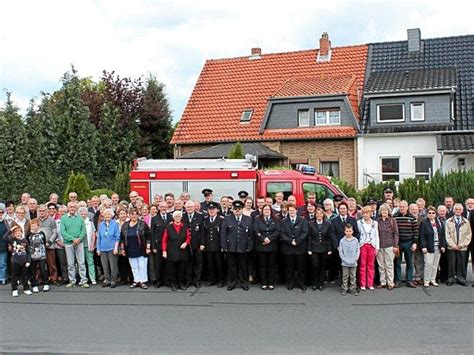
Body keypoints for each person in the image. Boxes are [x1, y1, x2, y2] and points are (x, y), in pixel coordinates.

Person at [220, 200, 253, 291]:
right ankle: (232, 283)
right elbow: (223, 233)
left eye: (239, 209)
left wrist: (249, 246)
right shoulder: (227, 219)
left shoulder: (248, 219)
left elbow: (251, 234)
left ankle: (244, 283)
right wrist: (224, 246)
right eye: (235, 209)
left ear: (242, 209)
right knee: (231, 266)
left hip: (243, 247)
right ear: (232, 210)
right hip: (231, 247)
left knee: (243, 266)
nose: (237, 210)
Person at [60, 202, 89, 288]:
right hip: (69, 243)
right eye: (70, 207)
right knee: (70, 263)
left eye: (74, 207)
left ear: (76, 208)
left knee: (82, 262)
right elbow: (63, 231)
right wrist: (72, 239)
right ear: (68, 208)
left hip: (79, 243)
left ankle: (84, 281)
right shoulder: (64, 218)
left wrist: (79, 239)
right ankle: (72, 281)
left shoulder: (80, 218)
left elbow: (83, 230)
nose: (72, 208)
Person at [121, 208, 151, 289]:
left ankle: (143, 281)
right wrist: (123, 249)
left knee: (142, 265)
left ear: (138, 215)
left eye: (135, 214)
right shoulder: (125, 225)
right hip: (130, 248)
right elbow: (122, 238)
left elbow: (148, 236)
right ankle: (136, 280)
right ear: (129, 215)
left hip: (141, 248)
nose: (134, 215)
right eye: (132, 214)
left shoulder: (143, 224)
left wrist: (148, 247)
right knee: (133, 266)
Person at [280, 204, 308, 290]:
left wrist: (297, 241)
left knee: (301, 268)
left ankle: (301, 283)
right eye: (290, 210)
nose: (292, 212)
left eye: (293, 210)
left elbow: (305, 232)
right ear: (288, 211)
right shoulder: (284, 221)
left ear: (296, 211)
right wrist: (290, 241)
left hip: (300, 248)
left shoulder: (303, 221)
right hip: (288, 248)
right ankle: (290, 283)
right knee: (289, 268)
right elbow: (282, 233)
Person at [330, 201, 359, 283]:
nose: (342, 210)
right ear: (338, 210)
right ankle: (344, 282)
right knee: (341, 265)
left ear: (347, 209)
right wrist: (337, 246)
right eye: (341, 208)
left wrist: (355, 244)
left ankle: (352, 282)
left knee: (352, 265)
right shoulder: (334, 221)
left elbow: (357, 233)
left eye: (344, 208)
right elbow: (332, 234)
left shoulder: (352, 220)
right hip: (340, 247)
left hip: (351, 248)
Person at [162, 210, 191, 291]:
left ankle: (181, 284)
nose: (177, 218)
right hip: (171, 251)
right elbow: (164, 240)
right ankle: (173, 284)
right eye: (176, 216)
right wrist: (164, 251)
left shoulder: (184, 226)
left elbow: (188, 237)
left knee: (181, 269)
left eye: (179, 216)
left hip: (182, 251)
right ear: (173, 218)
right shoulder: (168, 227)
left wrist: (186, 243)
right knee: (172, 269)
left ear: (181, 217)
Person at [253, 205, 280, 290]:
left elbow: (278, 230)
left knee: (271, 265)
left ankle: (271, 282)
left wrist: (269, 239)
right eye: (265, 209)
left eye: (268, 209)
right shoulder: (257, 219)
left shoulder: (276, 219)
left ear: (271, 210)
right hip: (261, 245)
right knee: (262, 265)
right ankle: (264, 283)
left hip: (272, 246)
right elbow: (256, 230)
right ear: (262, 210)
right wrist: (263, 238)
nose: (267, 211)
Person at [419, 206, 446, 288]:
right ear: (427, 214)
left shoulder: (439, 222)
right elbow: (422, 236)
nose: (431, 214)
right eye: (429, 213)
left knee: (435, 265)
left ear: (435, 214)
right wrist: (423, 246)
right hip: (428, 247)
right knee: (428, 264)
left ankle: (433, 280)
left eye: (433, 213)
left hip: (438, 246)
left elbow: (442, 235)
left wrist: (443, 246)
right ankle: (426, 280)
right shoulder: (424, 223)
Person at [445, 204, 471, 286]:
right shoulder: (448, 221)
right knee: (451, 263)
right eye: (456, 209)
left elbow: (468, 235)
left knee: (462, 263)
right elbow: (447, 235)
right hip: (451, 247)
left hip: (462, 247)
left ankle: (461, 279)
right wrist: (453, 245)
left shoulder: (467, 222)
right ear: (453, 210)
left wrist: (462, 245)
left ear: (462, 211)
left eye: (460, 209)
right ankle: (451, 278)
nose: (458, 211)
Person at [393, 200, 418, 288]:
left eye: (404, 206)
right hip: (398, 243)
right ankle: (398, 280)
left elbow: (415, 232)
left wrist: (415, 243)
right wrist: (394, 244)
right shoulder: (394, 217)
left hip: (409, 242)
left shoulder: (412, 218)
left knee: (409, 263)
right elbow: (393, 231)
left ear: (407, 208)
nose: (402, 208)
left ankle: (409, 280)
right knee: (397, 262)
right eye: (401, 206)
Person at [307, 207, 333, 291]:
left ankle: (321, 283)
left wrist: (330, 249)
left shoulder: (327, 224)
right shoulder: (311, 224)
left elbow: (329, 237)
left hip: (324, 248)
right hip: (314, 248)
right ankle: (314, 283)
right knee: (315, 265)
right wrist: (309, 249)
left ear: (323, 215)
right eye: (317, 214)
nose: (319, 215)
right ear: (315, 215)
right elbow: (309, 237)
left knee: (323, 266)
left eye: (320, 213)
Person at [4, 225, 32, 297]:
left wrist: (28, 261)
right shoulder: (12, 240)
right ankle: (14, 289)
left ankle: (26, 288)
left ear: (21, 232)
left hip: (24, 261)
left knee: (25, 276)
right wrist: (11, 229)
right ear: (13, 234)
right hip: (15, 261)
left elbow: (28, 252)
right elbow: (4, 237)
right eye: (15, 232)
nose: (17, 233)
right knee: (14, 276)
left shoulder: (25, 241)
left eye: (19, 232)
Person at [202, 202, 225, 287]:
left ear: (217, 210)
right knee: (210, 264)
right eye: (210, 209)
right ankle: (212, 279)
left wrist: (223, 245)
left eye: (213, 209)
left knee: (219, 264)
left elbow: (223, 234)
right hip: (208, 246)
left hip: (218, 246)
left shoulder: (222, 219)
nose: (211, 211)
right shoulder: (205, 219)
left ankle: (221, 280)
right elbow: (203, 233)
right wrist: (203, 244)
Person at [376, 204, 398, 290]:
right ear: (380, 212)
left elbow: (396, 234)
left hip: (390, 245)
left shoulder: (392, 221)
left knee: (389, 265)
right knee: (381, 265)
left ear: (388, 211)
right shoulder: (377, 221)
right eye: (382, 210)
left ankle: (390, 282)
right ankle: (383, 282)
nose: (384, 212)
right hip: (380, 245)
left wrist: (395, 245)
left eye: (386, 210)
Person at [183, 201, 205, 288]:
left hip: (197, 244)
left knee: (198, 263)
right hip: (186, 244)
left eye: (191, 207)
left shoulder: (200, 216)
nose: (189, 209)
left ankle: (197, 280)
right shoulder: (182, 216)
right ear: (185, 208)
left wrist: (202, 243)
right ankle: (188, 280)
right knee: (188, 263)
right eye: (187, 207)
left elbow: (203, 231)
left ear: (194, 207)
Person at [97, 209, 121, 288]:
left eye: (109, 214)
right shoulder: (101, 224)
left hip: (112, 248)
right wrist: (98, 249)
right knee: (105, 265)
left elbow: (118, 237)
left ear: (112, 215)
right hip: (103, 248)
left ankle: (113, 280)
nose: (107, 216)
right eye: (106, 214)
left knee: (113, 265)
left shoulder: (115, 224)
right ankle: (107, 280)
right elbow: (99, 238)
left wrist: (116, 248)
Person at [357, 206, 379, 290]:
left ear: (370, 214)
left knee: (371, 265)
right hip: (363, 245)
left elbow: (376, 235)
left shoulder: (374, 223)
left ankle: (370, 283)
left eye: (367, 213)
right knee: (362, 265)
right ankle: (362, 284)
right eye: (364, 213)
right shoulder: (359, 223)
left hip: (372, 245)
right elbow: (358, 234)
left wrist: (377, 247)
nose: (365, 215)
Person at [150, 201, 172, 288]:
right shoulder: (154, 218)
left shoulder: (171, 217)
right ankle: (159, 281)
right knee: (158, 264)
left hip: (169, 245)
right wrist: (153, 246)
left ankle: (167, 280)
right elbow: (152, 233)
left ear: (167, 207)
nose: (163, 208)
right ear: (159, 208)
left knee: (168, 264)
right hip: (158, 245)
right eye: (162, 206)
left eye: (165, 206)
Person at [27, 219, 50, 293]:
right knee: (33, 271)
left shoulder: (41, 233)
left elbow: (43, 243)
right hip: (32, 255)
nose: (33, 227)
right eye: (32, 226)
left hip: (42, 255)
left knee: (43, 270)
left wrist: (44, 253)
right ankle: (34, 285)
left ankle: (46, 283)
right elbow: (27, 245)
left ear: (38, 226)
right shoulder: (29, 235)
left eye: (35, 226)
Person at [38, 204, 58, 284]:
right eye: (40, 211)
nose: (42, 212)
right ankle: (39, 279)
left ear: (46, 211)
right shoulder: (36, 220)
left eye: (43, 211)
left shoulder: (51, 220)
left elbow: (55, 232)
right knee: (39, 264)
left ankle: (53, 278)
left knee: (51, 264)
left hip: (49, 245)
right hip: (39, 246)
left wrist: (49, 242)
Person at [339, 224, 360, 296]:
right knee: (345, 276)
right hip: (345, 262)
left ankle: (353, 288)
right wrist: (343, 259)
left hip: (353, 262)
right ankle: (344, 288)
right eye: (347, 231)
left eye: (350, 231)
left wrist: (356, 258)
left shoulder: (355, 240)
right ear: (344, 232)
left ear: (352, 231)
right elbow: (340, 251)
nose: (348, 232)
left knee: (353, 276)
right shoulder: (342, 240)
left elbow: (358, 250)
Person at [79, 207, 97, 285]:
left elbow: (93, 233)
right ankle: (82, 278)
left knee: (90, 262)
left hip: (88, 244)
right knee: (81, 262)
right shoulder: (77, 222)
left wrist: (92, 244)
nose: (83, 215)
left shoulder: (90, 221)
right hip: (79, 245)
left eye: (85, 214)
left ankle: (92, 278)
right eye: (82, 214)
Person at [0, 206, 8, 284]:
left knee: (3, 264)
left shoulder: (5, 222)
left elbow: (8, 233)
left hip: (3, 245)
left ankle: (3, 278)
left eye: (1, 213)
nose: (0, 214)